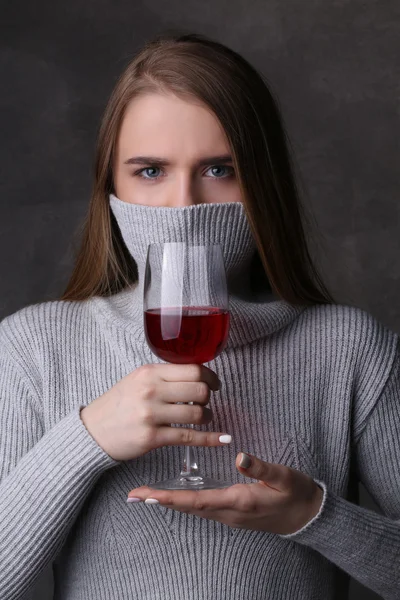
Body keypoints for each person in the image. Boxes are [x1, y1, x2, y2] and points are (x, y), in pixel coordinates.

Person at [0, 32, 399, 600]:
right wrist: (87, 438)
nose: (184, 207)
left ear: (263, 185)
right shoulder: (32, 347)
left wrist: (315, 515)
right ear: (109, 186)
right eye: (151, 172)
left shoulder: (351, 349)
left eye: (218, 169)